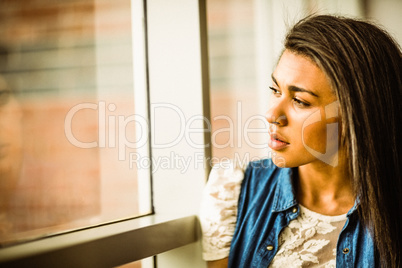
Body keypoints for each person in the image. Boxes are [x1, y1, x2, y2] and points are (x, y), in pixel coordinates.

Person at [200, 15, 401, 267]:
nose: (272, 115)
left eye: (300, 101)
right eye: (275, 90)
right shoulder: (232, 191)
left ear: (357, 114)